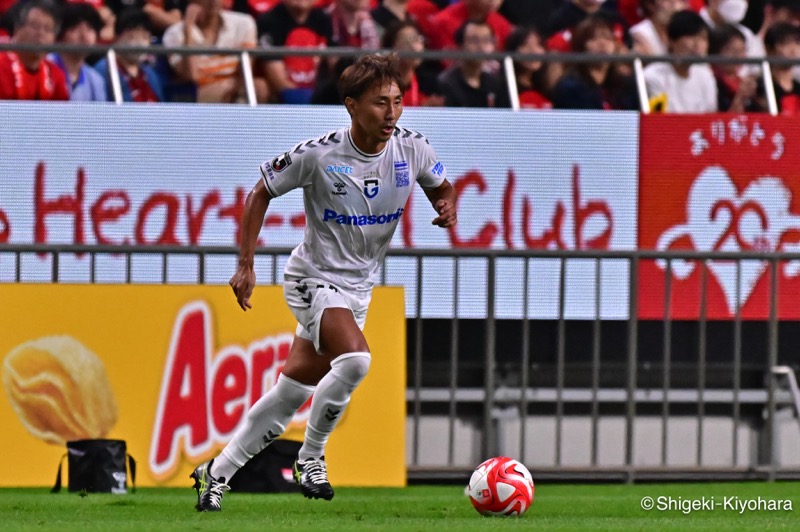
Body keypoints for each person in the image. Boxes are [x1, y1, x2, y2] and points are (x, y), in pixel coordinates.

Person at [190, 52, 456, 511]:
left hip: (358, 288)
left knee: (289, 394)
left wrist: (447, 206)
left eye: (397, 101)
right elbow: (260, 192)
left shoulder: (413, 148)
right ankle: (310, 457)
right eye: (379, 103)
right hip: (312, 278)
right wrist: (246, 265)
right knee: (355, 361)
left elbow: (441, 187)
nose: (391, 113)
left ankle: (215, 473)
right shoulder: (319, 154)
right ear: (351, 106)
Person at [163, 0, 268, 103]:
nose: (214, 1)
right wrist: (188, 31)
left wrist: (235, 89)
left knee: (260, 87)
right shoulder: (173, 34)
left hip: (237, 85)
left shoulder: (244, 23)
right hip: (200, 91)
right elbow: (191, 75)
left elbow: (246, 70)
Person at [552, 15, 638, 110]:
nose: (602, 43)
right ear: (581, 47)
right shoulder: (570, 88)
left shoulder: (625, 85)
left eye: (608, 38)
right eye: (593, 38)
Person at [643, 9, 717, 112]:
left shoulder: (705, 75)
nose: (697, 44)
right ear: (672, 40)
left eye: (703, 38)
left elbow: (711, 118)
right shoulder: (652, 77)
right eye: (690, 36)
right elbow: (658, 121)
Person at [0, 0, 69, 100]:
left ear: (54, 39)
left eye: (48, 29)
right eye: (35, 26)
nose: (41, 33)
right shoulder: (1, 66)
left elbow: (63, 114)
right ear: (17, 29)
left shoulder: (56, 75)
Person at [94, 8, 165, 101]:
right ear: (117, 37)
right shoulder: (102, 71)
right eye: (132, 36)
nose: (139, 43)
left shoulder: (150, 75)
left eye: (145, 37)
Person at [436, 19, 511, 107]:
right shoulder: (446, 82)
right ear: (460, 46)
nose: (481, 46)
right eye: (474, 40)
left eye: (486, 40)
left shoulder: (495, 83)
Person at [50, 3, 108, 101]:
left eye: (90, 29)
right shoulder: (44, 68)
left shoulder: (96, 80)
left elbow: (99, 116)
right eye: (75, 29)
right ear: (61, 33)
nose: (84, 36)